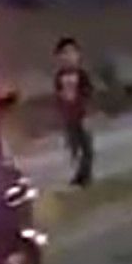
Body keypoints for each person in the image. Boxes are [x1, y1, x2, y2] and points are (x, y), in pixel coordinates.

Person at [53, 37, 95, 188]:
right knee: (74, 148)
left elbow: (88, 93)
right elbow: (58, 96)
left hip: (82, 116)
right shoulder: (59, 76)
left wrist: (87, 111)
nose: (69, 57)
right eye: (64, 54)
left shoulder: (82, 75)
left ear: (78, 55)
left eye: (72, 53)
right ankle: (78, 174)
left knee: (87, 148)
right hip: (69, 118)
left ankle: (86, 175)